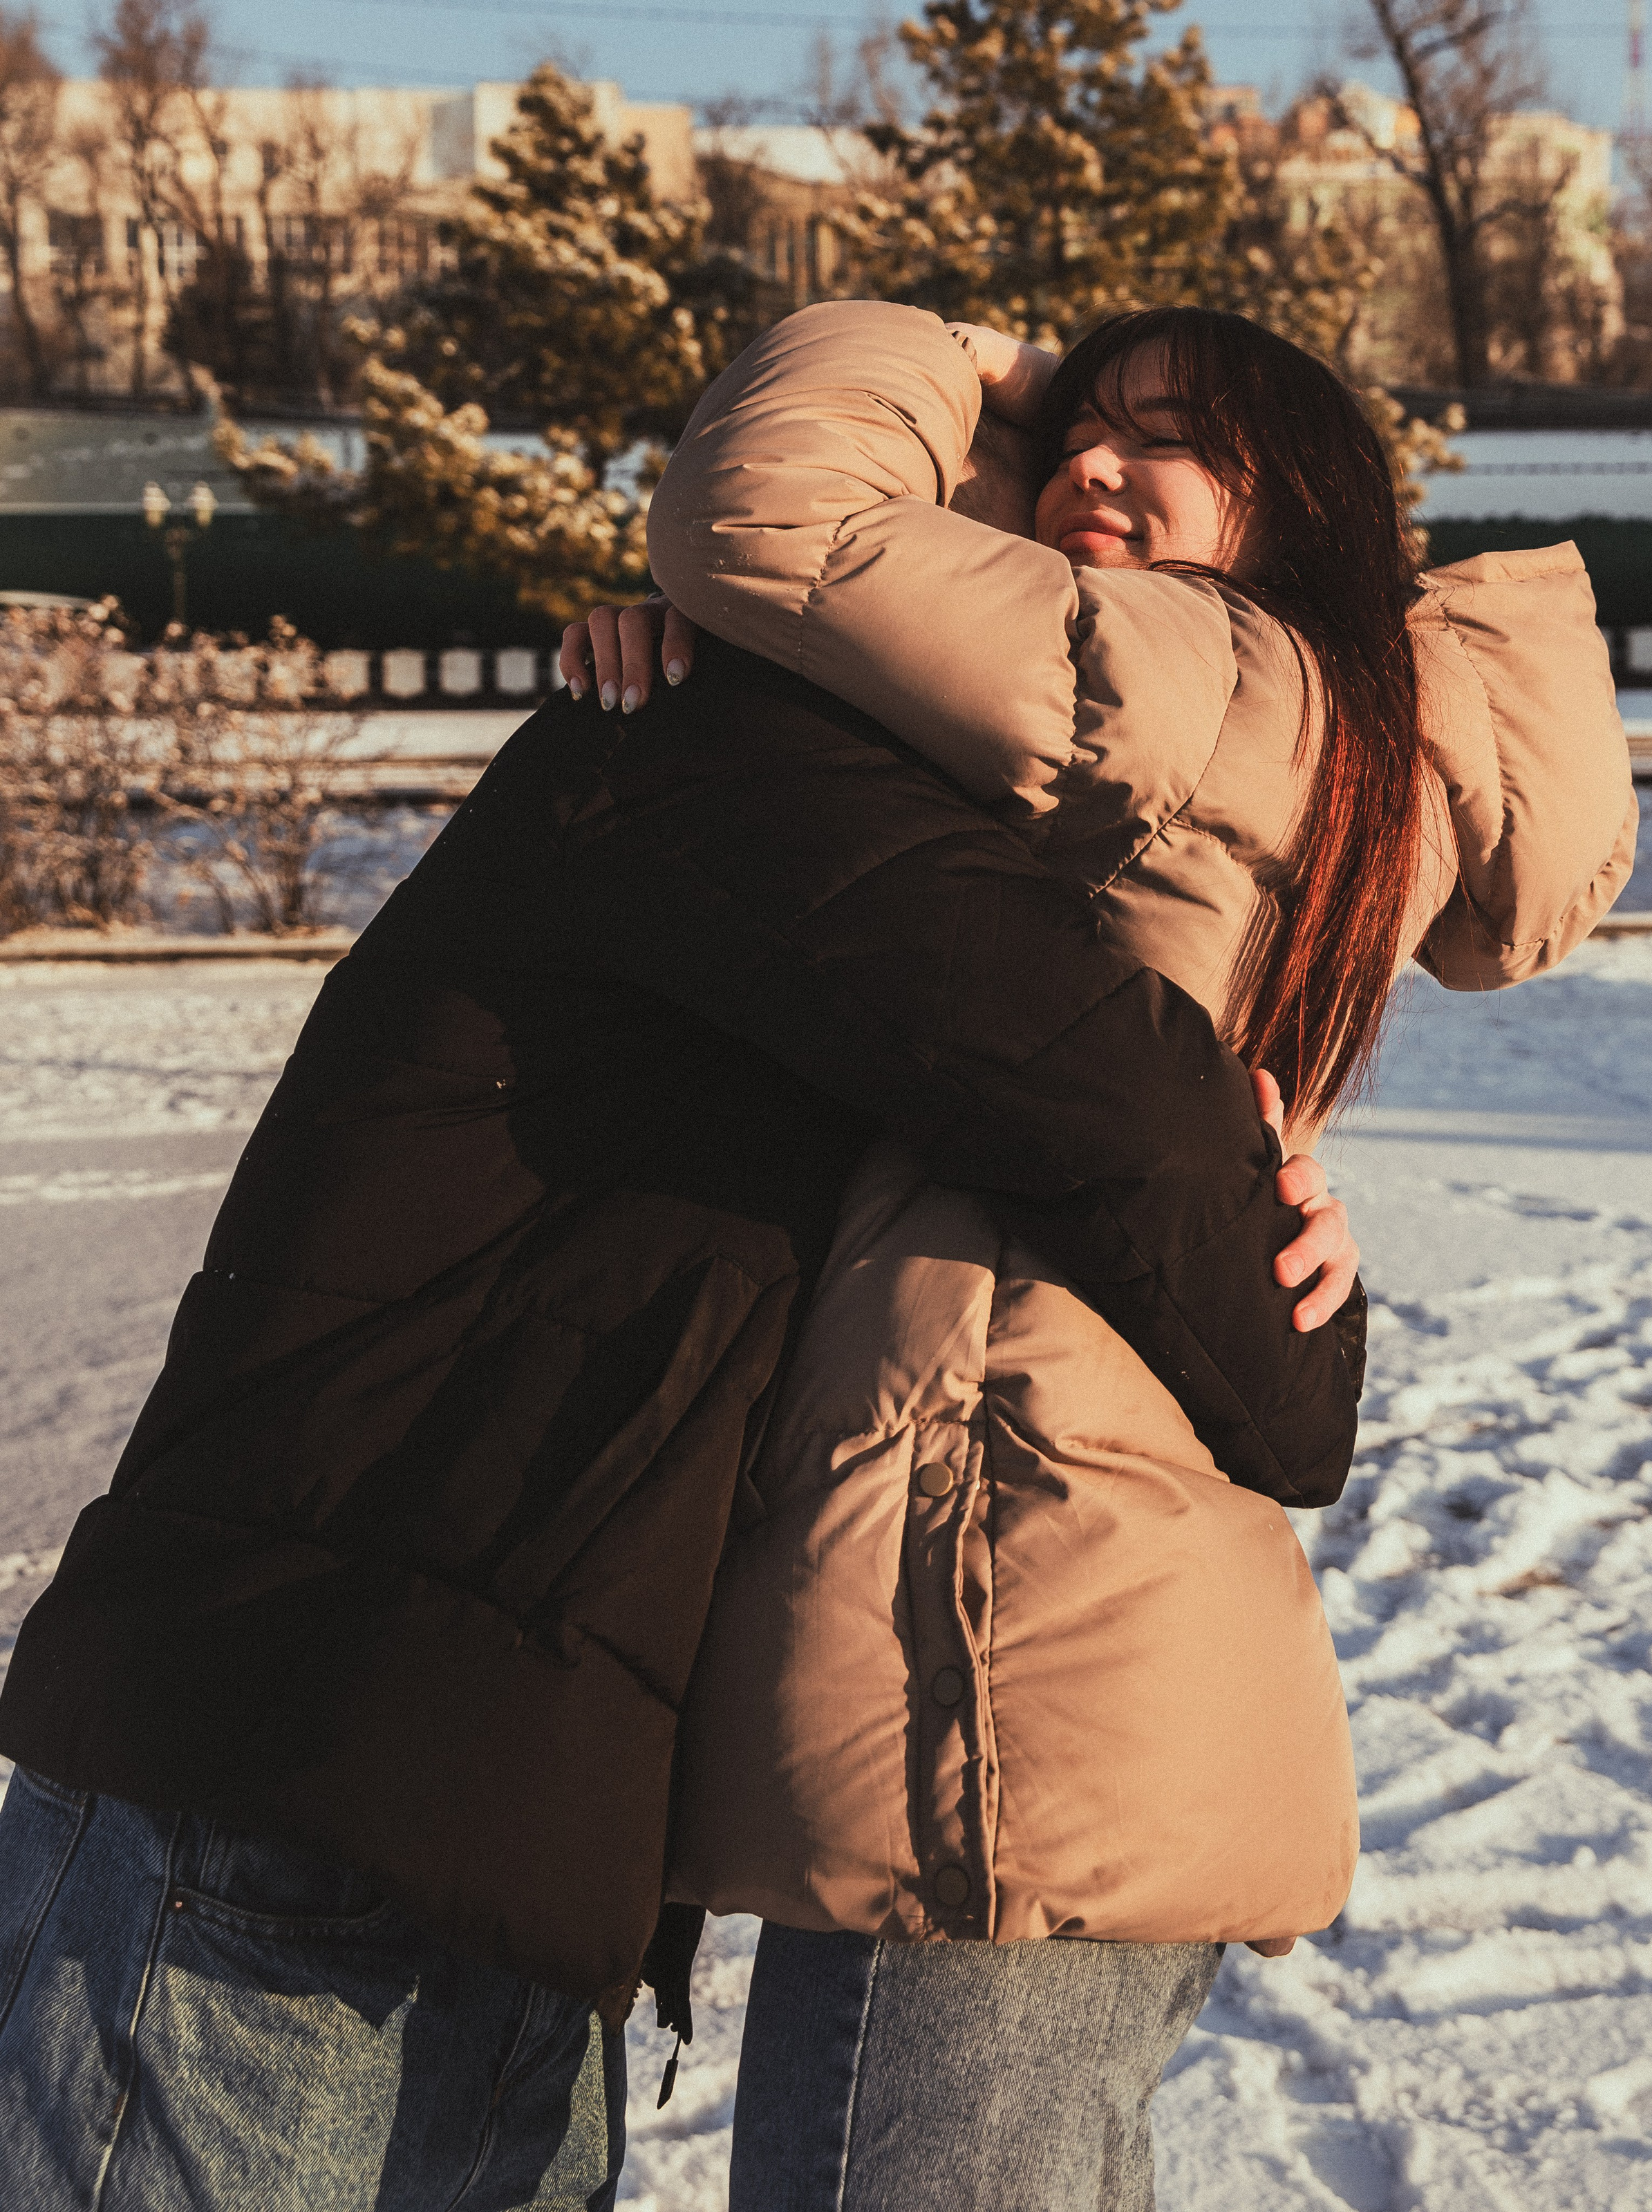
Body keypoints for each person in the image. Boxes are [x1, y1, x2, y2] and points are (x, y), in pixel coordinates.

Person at [0, 441, 1364, 2202]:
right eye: (1002, 529)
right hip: (279, 1771)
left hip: (503, 1831)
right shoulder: (720, 740)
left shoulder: (849, 806)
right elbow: (1119, 1116)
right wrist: (1308, 1316)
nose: (1057, 545)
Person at [572, 297, 1637, 2209]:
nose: (1090, 466)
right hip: (1082, 1614)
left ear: (1295, 504)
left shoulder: (1199, 673)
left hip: (998, 1629)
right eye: (1077, 431)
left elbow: (778, 522)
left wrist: (951, 350)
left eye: (1168, 439)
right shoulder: (1259, 712)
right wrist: (687, 665)